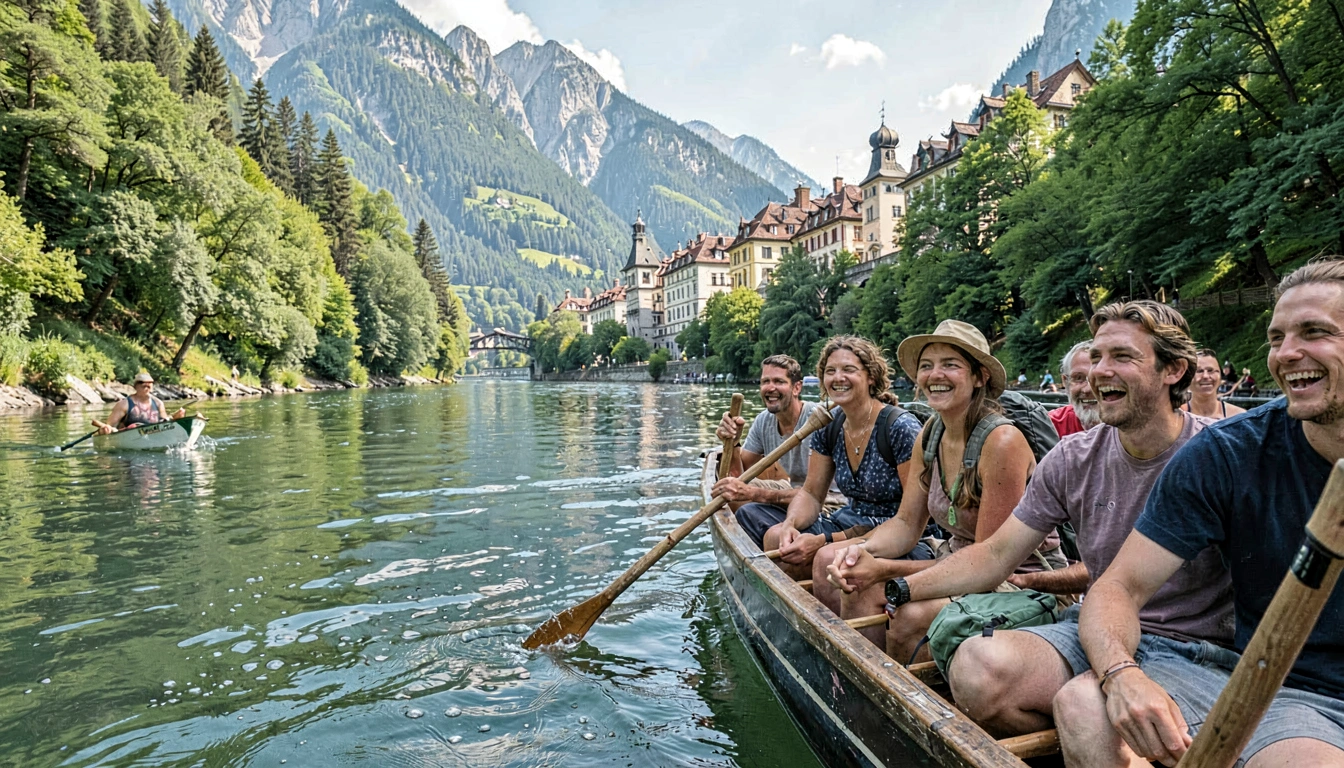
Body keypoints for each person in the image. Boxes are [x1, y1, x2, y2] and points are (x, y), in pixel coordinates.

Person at [852, 301, 1232, 739]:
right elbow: (995, 554)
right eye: (1096, 358)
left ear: (1174, 371)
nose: (1098, 373)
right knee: (975, 665)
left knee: (1089, 709)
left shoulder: (1220, 452)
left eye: (1122, 357)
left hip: (1197, 649)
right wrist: (898, 587)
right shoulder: (1073, 457)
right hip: (1096, 629)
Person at [1069, 261, 1344, 767]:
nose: (1286, 354)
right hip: (1299, 698)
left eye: (1315, 333)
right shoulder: (1228, 452)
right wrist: (1121, 675)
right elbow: (1117, 587)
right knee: (1084, 701)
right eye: (1277, 337)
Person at [818, 320, 1060, 653]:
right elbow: (905, 526)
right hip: (958, 561)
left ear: (979, 377)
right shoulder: (931, 433)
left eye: (950, 365)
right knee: (857, 587)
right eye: (927, 366)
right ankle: (861, 690)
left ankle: (902, 696)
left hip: (1019, 581)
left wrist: (884, 570)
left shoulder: (1002, 442)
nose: (935, 375)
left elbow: (987, 563)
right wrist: (862, 551)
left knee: (910, 614)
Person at [767, 336, 926, 581]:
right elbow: (810, 493)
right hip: (850, 521)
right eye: (830, 371)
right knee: (777, 538)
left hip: (897, 533)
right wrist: (791, 524)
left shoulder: (900, 428)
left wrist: (824, 540)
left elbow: (911, 519)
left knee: (826, 558)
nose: (837, 378)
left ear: (870, 376)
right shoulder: (829, 426)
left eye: (848, 370)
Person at [725, 355, 842, 535]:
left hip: (828, 500)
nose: (770, 388)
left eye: (779, 381)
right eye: (765, 381)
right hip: (794, 492)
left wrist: (754, 494)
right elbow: (741, 475)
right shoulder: (764, 421)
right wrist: (733, 443)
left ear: (797, 388)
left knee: (749, 501)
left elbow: (812, 494)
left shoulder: (819, 419)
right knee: (728, 488)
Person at [95, 372, 185, 434]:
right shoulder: (124, 404)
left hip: (154, 435)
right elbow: (109, 426)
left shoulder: (158, 403)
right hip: (128, 437)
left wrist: (175, 417)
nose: (146, 387)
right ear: (135, 386)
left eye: (149, 385)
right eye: (143, 384)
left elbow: (165, 423)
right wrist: (106, 429)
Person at [1049, 341, 1101, 438]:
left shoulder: (1133, 428)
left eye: (1097, 378)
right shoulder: (1050, 427)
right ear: (1065, 382)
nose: (1087, 389)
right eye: (1078, 378)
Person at [1183, 348, 1245, 421]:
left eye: (1210, 370)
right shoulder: (1176, 417)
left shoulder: (1238, 417)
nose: (1205, 376)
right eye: (1199, 371)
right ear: (1187, 378)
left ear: (1220, 376)